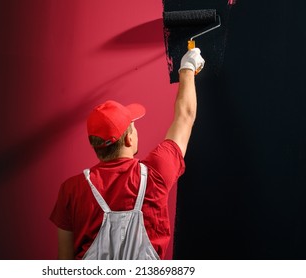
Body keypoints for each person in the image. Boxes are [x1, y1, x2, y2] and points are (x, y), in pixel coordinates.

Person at [50, 48, 205, 259]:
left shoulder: (71, 190)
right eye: (133, 126)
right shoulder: (156, 173)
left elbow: (64, 264)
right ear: (129, 139)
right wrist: (187, 67)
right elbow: (185, 116)